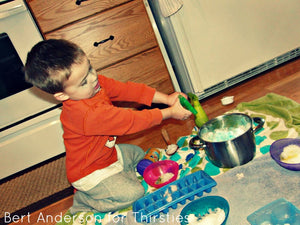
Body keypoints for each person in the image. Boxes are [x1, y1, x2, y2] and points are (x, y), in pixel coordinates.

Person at [24, 39, 192, 214]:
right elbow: (131, 121)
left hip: (108, 155)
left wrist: (166, 99)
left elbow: (128, 90)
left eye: (89, 68)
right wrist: (170, 112)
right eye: (83, 82)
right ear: (62, 95)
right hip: (90, 174)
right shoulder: (86, 114)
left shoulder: (94, 85)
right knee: (135, 193)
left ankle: (118, 179)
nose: (93, 77)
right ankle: (86, 199)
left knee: (138, 153)